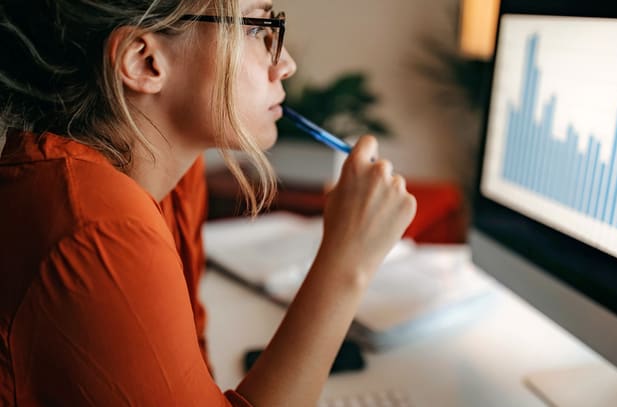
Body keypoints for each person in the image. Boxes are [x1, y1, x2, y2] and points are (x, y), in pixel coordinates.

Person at [0, 0, 417, 406]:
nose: (285, 63)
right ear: (144, 62)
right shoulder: (100, 230)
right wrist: (347, 263)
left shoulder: (175, 183)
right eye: (256, 27)